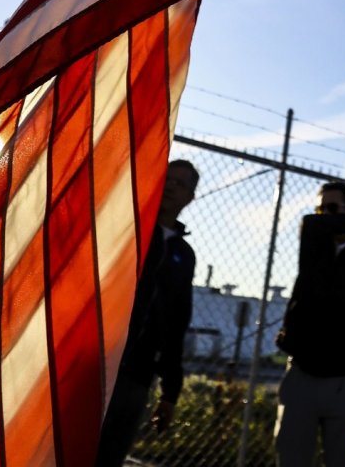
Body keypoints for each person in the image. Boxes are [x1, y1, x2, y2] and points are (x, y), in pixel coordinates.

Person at [97, 159, 199, 467]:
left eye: (180, 183)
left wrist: (170, 391)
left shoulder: (183, 254)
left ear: (190, 197)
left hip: (138, 376)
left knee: (110, 454)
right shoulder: (129, 229)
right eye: (167, 178)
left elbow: (177, 323)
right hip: (99, 363)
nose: (170, 186)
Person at [274, 182, 345, 467]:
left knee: (343, 459)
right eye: (321, 209)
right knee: (291, 456)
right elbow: (310, 224)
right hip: (302, 373)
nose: (325, 217)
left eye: (332, 209)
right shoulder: (314, 248)